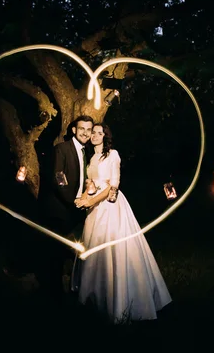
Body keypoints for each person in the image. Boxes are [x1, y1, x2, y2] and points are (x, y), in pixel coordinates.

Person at [72, 123, 172, 323]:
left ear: (105, 136)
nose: (95, 135)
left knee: (114, 248)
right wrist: (82, 198)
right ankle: (95, 296)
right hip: (94, 209)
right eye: (93, 132)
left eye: (100, 133)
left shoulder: (113, 154)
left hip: (110, 206)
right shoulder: (91, 158)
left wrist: (90, 201)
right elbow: (91, 184)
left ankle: (120, 301)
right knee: (94, 246)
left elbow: (112, 185)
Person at [36, 114, 94, 305]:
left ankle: (74, 286)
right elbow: (59, 177)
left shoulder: (88, 153)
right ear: (74, 131)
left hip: (75, 210)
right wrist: (73, 200)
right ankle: (53, 294)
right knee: (55, 253)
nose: (85, 133)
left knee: (69, 249)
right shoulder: (62, 149)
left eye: (89, 129)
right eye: (82, 129)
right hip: (59, 208)